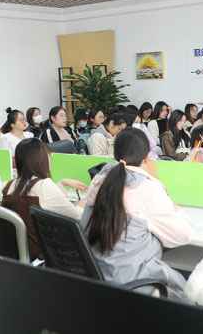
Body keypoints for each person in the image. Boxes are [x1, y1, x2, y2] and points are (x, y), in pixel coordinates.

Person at [81, 128, 191, 298]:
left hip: (97, 277)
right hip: (131, 281)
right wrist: (169, 199)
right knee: (189, 293)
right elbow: (183, 235)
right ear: (146, 157)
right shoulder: (146, 187)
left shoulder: (100, 178)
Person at [3, 139, 87, 259]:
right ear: (41, 160)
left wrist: (61, 183)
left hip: (15, 252)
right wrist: (82, 204)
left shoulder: (9, 185)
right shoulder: (44, 185)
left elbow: (47, 200)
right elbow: (77, 217)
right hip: (41, 253)